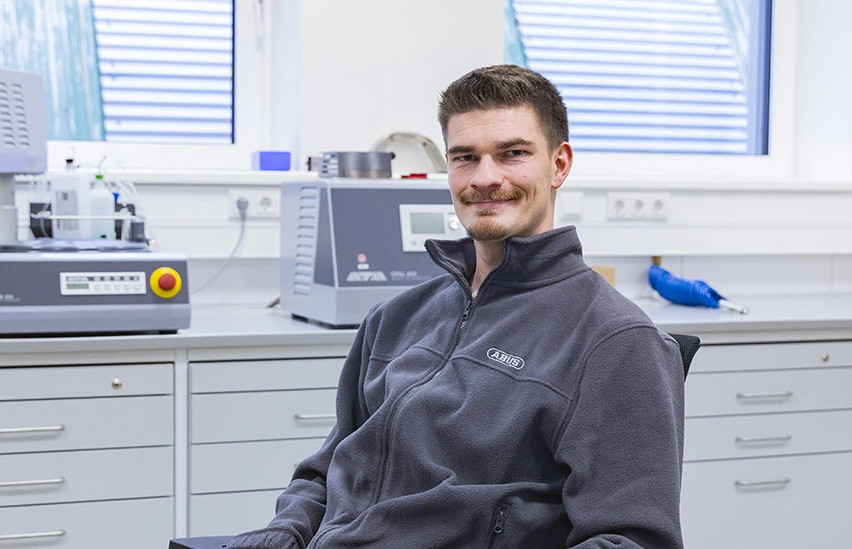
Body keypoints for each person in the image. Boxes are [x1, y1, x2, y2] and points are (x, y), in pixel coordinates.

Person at [228, 64, 685, 549]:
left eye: (512, 154)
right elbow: (328, 468)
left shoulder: (614, 341)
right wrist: (283, 532)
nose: (485, 178)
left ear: (559, 165)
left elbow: (632, 539)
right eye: (465, 157)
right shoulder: (393, 319)